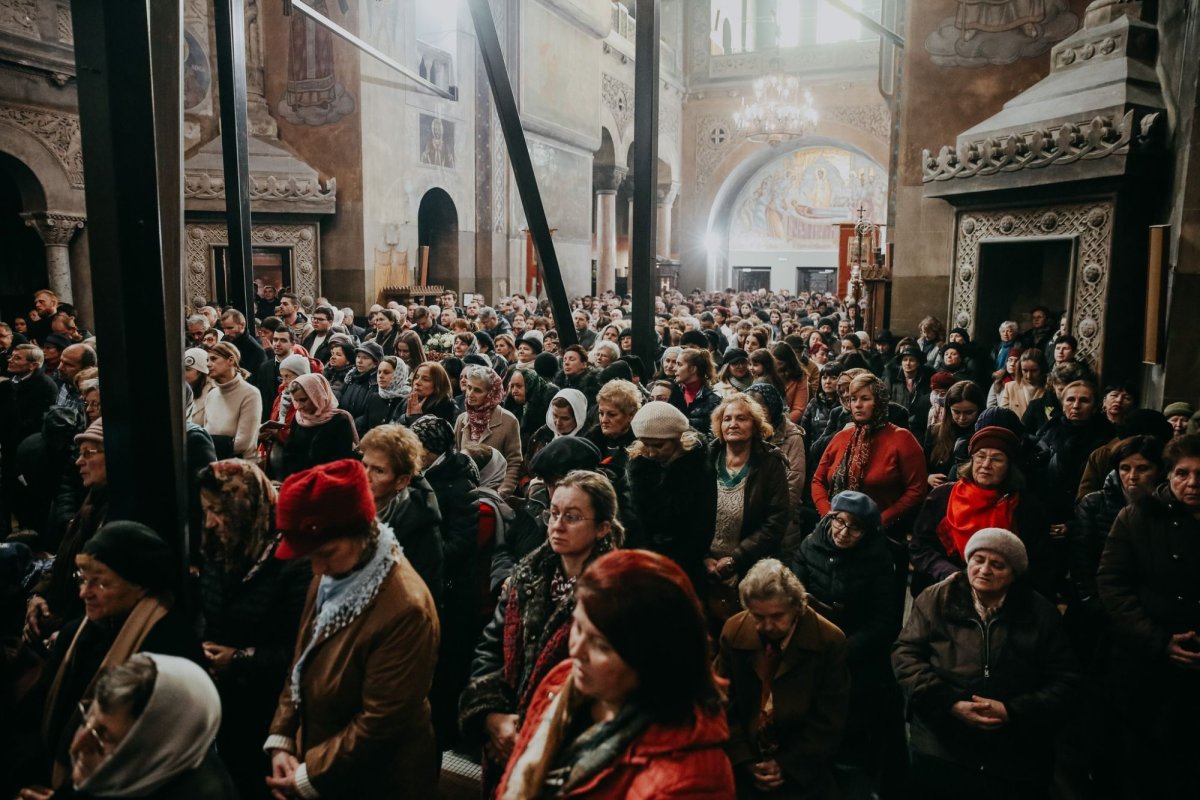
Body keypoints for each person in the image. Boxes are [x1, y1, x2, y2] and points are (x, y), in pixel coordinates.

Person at [264, 459, 440, 799]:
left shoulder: (406, 608)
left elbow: (382, 720)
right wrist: (282, 737)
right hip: (328, 760)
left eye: (326, 553)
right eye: (310, 556)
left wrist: (310, 774)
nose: (317, 568)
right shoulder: (335, 570)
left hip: (378, 782)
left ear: (362, 531)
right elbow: (302, 659)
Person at [497, 549, 735, 798]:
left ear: (652, 658)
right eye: (578, 627)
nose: (576, 650)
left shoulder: (690, 783)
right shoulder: (564, 681)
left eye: (600, 646)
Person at [460, 470, 623, 792]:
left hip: (569, 748)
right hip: (509, 728)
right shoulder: (528, 575)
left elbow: (608, 686)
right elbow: (491, 647)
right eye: (554, 513)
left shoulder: (615, 591)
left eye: (572, 517)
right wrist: (493, 716)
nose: (557, 525)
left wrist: (536, 734)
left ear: (602, 527)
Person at [893, 529, 1080, 800]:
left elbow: (1064, 679)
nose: (984, 570)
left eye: (998, 565)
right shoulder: (936, 599)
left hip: (1014, 745)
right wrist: (948, 702)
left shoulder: (1040, 613)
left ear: (1014, 573)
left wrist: (1013, 711)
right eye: (978, 560)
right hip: (941, 737)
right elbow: (906, 655)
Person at [37, 522, 203, 787]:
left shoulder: (171, 648)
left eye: (101, 583)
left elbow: (145, 754)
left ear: (139, 585)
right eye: (82, 579)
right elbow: (37, 714)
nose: (84, 592)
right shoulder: (74, 634)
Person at [196, 460, 310, 797]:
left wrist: (240, 658)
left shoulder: (293, 562)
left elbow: (300, 650)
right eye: (206, 510)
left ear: (245, 506)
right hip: (222, 699)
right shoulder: (218, 545)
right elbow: (207, 610)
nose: (210, 521)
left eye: (219, 510)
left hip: (268, 708)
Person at [1096, 434, 1200, 800]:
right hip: (1145, 655)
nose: (1192, 483)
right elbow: (1112, 583)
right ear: (1168, 475)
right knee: (1143, 758)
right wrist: (1157, 639)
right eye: (1182, 473)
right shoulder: (1137, 516)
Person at [791, 492, 903, 796]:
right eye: (839, 522)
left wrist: (845, 647)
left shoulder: (879, 560)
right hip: (812, 638)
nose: (843, 532)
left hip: (855, 647)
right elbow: (794, 593)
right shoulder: (810, 544)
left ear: (867, 532)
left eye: (855, 527)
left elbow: (884, 621)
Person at [718, 558, 849, 799]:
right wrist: (744, 759)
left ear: (796, 607)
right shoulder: (734, 632)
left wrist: (786, 765)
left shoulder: (828, 641)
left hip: (804, 763)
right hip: (745, 758)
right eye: (758, 617)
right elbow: (721, 704)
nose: (768, 626)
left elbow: (830, 719)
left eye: (777, 616)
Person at [43, 653, 235, 799]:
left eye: (105, 737)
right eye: (88, 718)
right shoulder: (134, 771)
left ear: (160, 750)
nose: (77, 745)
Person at [811, 372, 927, 596]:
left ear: (880, 402)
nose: (857, 405)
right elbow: (818, 480)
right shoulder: (842, 437)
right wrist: (830, 516)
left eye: (865, 398)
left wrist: (879, 520)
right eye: (853, 399)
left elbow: (917, 490)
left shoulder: (902, 439)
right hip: (836, 535)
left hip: (881, 541)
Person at [910, 425, 1051, 597]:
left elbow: (1038, 563)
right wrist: (948, 572)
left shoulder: (1025, 507)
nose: (986, 465)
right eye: (980, 456)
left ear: (1009, 466)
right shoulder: (943, 496)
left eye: (996, 459)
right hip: (943, 590)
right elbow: (920, 546)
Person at [705, 394, 791, 622]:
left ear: (755, 426)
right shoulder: (706, 458)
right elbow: (689, 512)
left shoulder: (770, 463)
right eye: (727, 419)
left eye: (741, 418)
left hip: (749, 567)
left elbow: (776, 520)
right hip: (706, 566)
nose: (733, 424)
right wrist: (703, 557)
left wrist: (736, 559)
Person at [626, 402, 716, 591]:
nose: (651, 453)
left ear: (678, 440)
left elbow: (703, 526)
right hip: (644, 561)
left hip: (684, 565)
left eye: (659, 445)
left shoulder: (698, 470)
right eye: (646, 444)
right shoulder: (640, 467)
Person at [359, 424, 445, 605]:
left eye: (378, 470)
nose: (365, 476)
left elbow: (425, 595)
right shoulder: (347, 507)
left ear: (401, 481)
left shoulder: (420, 525)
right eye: (364, 465)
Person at [454, 365, 523, 496]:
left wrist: (502, 492)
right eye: (469, 387)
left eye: (477, 390)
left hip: (495, 493)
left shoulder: (509, 421)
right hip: (465, 494)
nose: (470, 394)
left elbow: (514, 462)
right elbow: (456, 456)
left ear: (491, 393)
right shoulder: (462, 419)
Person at [275, 373, 356, 480]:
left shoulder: (339, 422)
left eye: (303, 400)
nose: (299, 406)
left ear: (317, 395)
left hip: (325, 483)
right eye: (296, 400)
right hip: (298, 482)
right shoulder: (299, 418)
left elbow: (342, 463)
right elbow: (289, 453)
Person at [205, 342, 263, 461]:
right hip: (214, 462)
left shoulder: (250, 394)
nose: (208, 364)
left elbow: (243, 444)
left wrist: (205, 445)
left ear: (230, 360)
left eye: (213, 359)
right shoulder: (211, 394)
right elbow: (206, 432)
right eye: (207, 360)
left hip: (239, 466)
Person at [925, 380, 985, 485]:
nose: (962, 418)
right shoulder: (934, 432)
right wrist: (928, 477)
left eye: (969, 412)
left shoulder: (985, 436)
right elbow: (921, 465)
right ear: (949, 409)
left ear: (979, 409)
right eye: (956, 412)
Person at [584, 378, 640, 478]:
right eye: (601, 413)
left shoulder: (639, 448)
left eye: (612, 414)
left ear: (631, 415)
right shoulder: (589, 440)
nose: (604, 420)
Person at [502, 367, 559, 456]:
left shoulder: (547, 397)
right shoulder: (512, 404)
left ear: (530, 384)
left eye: (519, 386)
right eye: (512, 386)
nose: (514, 391)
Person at [669, 348, 722, 434]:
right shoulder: (671, 391)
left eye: (679, 364)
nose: (674, 368)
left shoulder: (714, 400)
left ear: (693, 369)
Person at [398, 361, 457, 426]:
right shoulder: (406, 401)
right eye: (416, 377)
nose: (417, 382)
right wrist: (406, 417)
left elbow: (438, 431)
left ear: (438, 384)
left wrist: (416, 417)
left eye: (426, 379)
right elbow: (392, 427)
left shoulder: (446, 407)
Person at [998, 348, 1047, 419]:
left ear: (1042, 369)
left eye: (1034, 371)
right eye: (1025, 370)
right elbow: (1002, 417)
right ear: (1020, 369)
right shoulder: (1010, 387)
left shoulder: (1050, 388)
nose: (1029, 376)